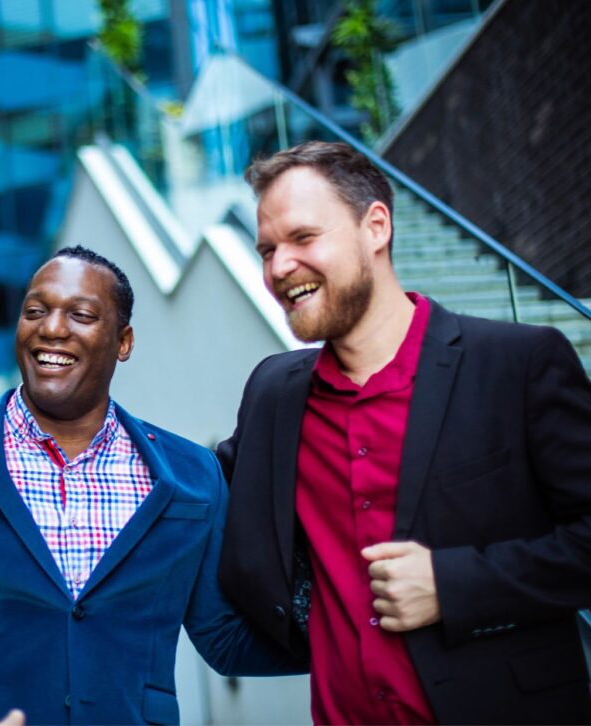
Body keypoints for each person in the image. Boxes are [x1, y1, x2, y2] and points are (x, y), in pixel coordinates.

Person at [216, 140, 591, 724]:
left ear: (376, 227)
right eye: (266, 249)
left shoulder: (518, 365)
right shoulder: (273, 394)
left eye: (302, 238)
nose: (278, 268)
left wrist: (455, 583)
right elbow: (202, 490)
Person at [0, 246, 300, 725]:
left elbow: (225, 640)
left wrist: (359, 628)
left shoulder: (193, 474)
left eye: (80, 314)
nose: (52, 328)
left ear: (123, 342)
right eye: (35, 311)